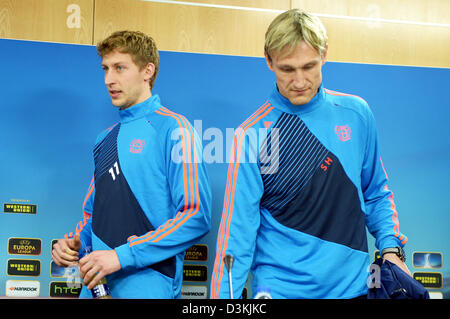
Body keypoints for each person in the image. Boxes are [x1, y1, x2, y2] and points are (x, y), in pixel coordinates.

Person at [210, 9, 410, 299]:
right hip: (279, 292)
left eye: (309, 66)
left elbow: (376, 192)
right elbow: (236, 236)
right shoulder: (251, 135)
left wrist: (391, 249)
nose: (300, 80)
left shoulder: (356, 114)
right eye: (287, 69)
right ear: (268, 61)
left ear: (324, 54)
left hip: (353, 289)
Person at [51, 30, 211, 298]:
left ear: (148, 71)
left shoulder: (176, 129)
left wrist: (122, 256)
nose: (108, 79)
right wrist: (73, 244)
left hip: (149, 285)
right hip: (95, 287)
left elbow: (195, 216)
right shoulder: (105, 139)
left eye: (119, 68)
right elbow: (93, 217)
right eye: (105, 69)